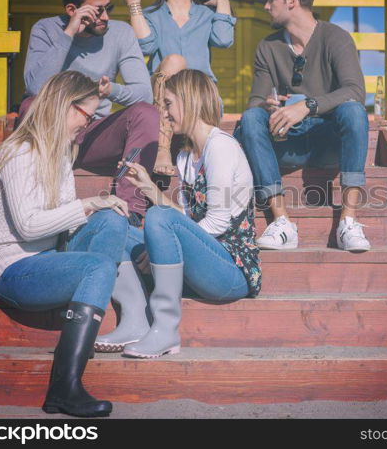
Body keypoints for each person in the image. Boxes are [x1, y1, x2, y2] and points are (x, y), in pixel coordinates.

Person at [0, 71, 131, 417]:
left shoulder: (61, 152)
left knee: (111, 219)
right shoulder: (19, 151)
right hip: (13, 270)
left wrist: (101, 208)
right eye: (87, 115)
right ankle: (63, 388)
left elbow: (65, 220)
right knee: (98, 264)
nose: (88, 124)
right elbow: (29, 226)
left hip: (47, 258)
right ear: (65, 105)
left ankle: (82, 332)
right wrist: (88, 204)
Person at [94, 69, 261, 357]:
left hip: (231, 272)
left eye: (168, 104)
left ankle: (166, 329)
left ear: (189, 100)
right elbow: (185, 215)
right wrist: (148, 188)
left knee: (158, 217)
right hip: (200, 262)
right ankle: (134, 320)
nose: (165, 114)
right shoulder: (185, 156)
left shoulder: (220, 147)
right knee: (113, 223)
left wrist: (162, 240)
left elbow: (217, 222)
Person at [233, 0, 371, 252]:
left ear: (292, 0)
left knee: (354, 111)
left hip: (329, 143)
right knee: (250, 118)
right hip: (286, 141)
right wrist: (267, 106)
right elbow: (255, 102)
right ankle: (281, 222)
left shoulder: (336, 38)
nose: (266, 6)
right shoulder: (268, 47)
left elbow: (355, 91)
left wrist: (306, 106)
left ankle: (348, 222)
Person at [22, 0, 159, 225]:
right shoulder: (46, 29)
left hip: (96, 134)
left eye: (109, 8)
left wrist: (112, 91)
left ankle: (130, 213)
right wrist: (70, 32)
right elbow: (36, 88)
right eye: (98, 11)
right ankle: (37, 203)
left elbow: (144, 93)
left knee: (146, 113)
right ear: (73, 9)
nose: (106, 17)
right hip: (55, 133)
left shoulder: (121, 32)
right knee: (29, 106)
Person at [123, 0, 236, 175]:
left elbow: (224, 40)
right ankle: (163, 148)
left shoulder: (206, 14)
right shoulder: (152, 14)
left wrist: (223, 2)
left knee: (190, 76)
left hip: (199, 95)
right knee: (174, 61)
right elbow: (144, 46)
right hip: (163, 95)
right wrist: (134, 5)